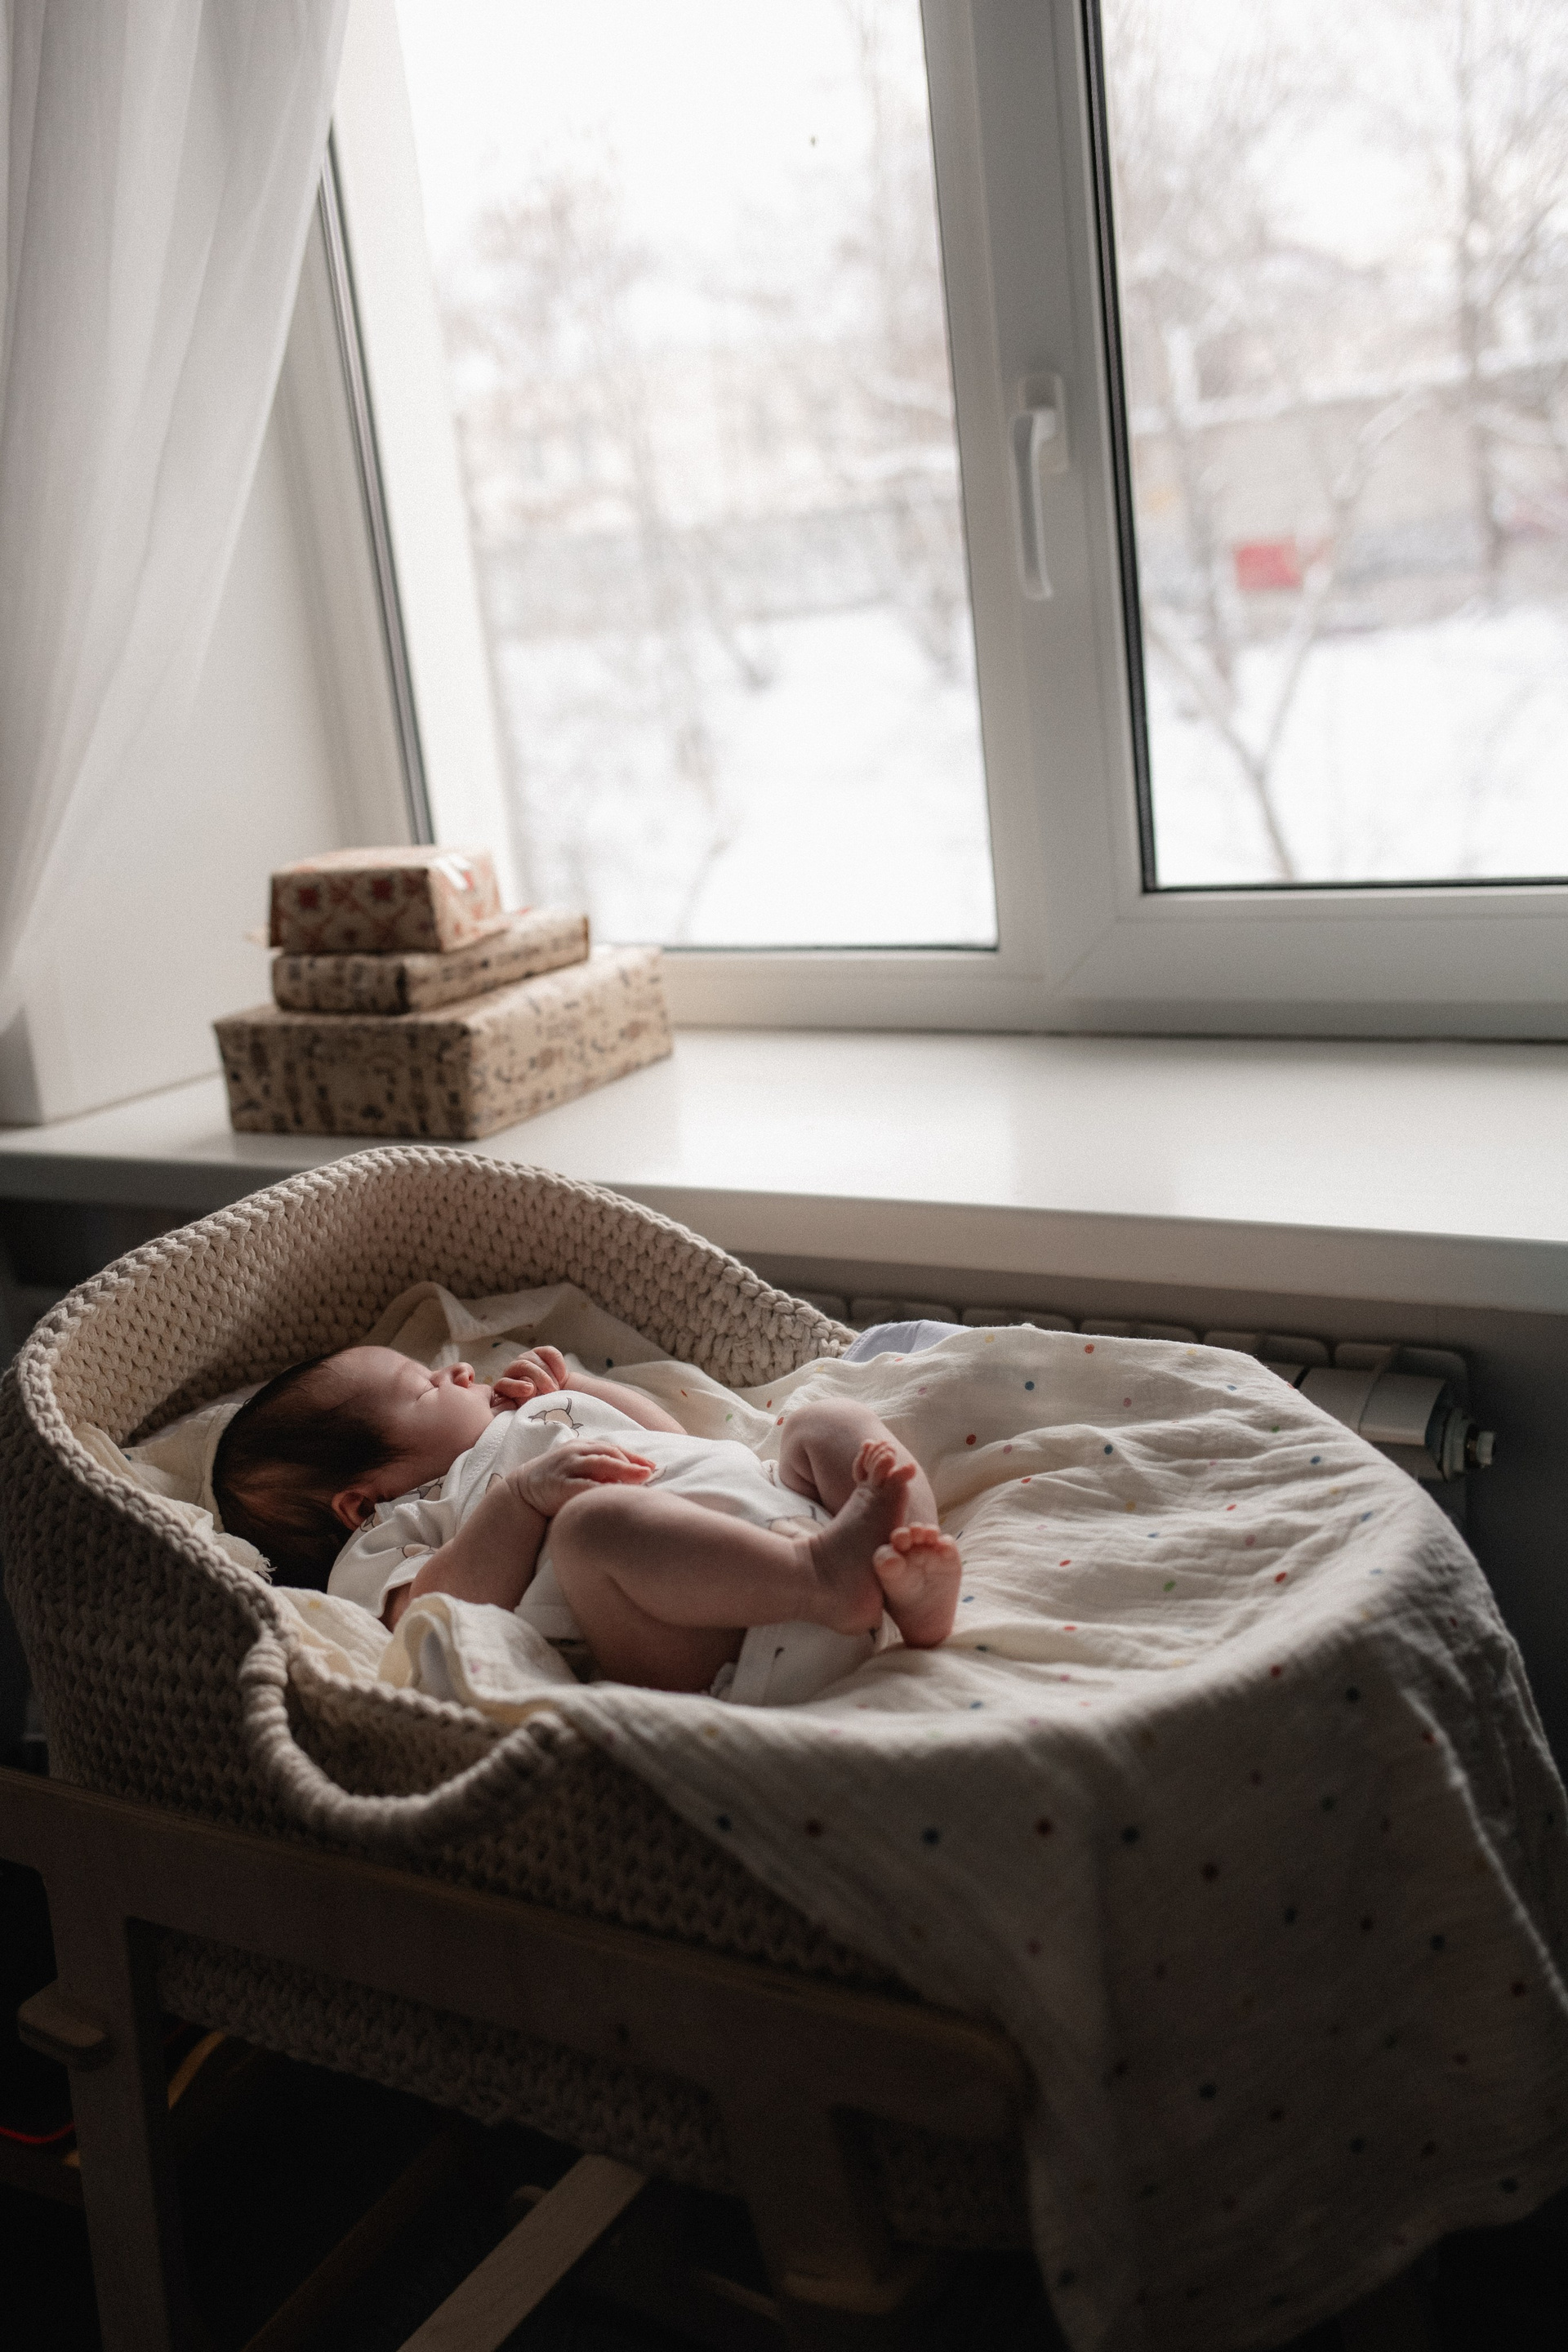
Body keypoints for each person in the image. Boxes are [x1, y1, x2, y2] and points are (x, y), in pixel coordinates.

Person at [212, 1343, 960, 1700]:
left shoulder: (530, 1416)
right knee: (592, 1527)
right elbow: (434, 1609)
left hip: (784, 1510)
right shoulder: (390, 1533)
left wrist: (578, 1388)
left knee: (827, 1422)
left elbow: (670, 1438)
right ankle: (824, 1580)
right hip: (702, 1638)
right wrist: (519, 1501)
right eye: (427, 1386)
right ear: (359, 1501)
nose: (461, 1371)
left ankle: (906, 1565)